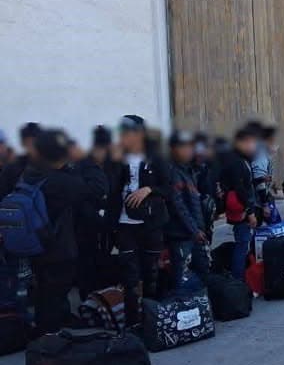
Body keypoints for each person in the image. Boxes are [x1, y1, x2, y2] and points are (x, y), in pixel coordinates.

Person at [26, 130, 98, 334]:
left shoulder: (30, 173)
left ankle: (51, 325)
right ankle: (48, 337)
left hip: (35, 243)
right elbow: (95, 189)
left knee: (44, 291)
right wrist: (86, 160)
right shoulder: (61, 181)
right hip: (57, 248)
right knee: (54, 292)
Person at [110, 115, 171, 328]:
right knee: (130, 278)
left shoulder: (156, 157)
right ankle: (132, 325)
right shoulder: (117, 157)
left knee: (151, 273)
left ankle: (153, 320)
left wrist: (149, 189)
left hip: (150, 223)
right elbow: (111, 192)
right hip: (124, 224)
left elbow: (169, 188)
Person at [69, 129, 111, 298]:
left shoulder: (78, 167)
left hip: (82, 226)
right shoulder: (89, 168)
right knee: (89, 266)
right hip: (88, 227)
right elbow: (99, 191)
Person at [166, 131, 208, 288]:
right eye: (183, 146)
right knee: (182, 277)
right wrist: (194, 230)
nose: (189, 150)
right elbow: (179, 206)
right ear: (173, 149)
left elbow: (194, 201)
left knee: (201, 271)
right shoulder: (173, 172)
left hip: (193, 232)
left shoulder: (188, 170)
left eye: (190, 146)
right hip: (181, 234)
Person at [221, 126, 259, 281]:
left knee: (243, 243)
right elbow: (240, 189)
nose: (252, 146)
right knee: (242, 244)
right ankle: (239, 280)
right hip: (241, 209)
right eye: (249, 142)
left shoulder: (242, 160)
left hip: (243, 207)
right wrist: (250, 212)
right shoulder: (236, 162)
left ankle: (241, 277)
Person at [0, 122, 42, 198]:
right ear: (23, 143)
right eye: (29, 142)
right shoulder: (12, 169)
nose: (33, 145)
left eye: (36, 141)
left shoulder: (55, 165)